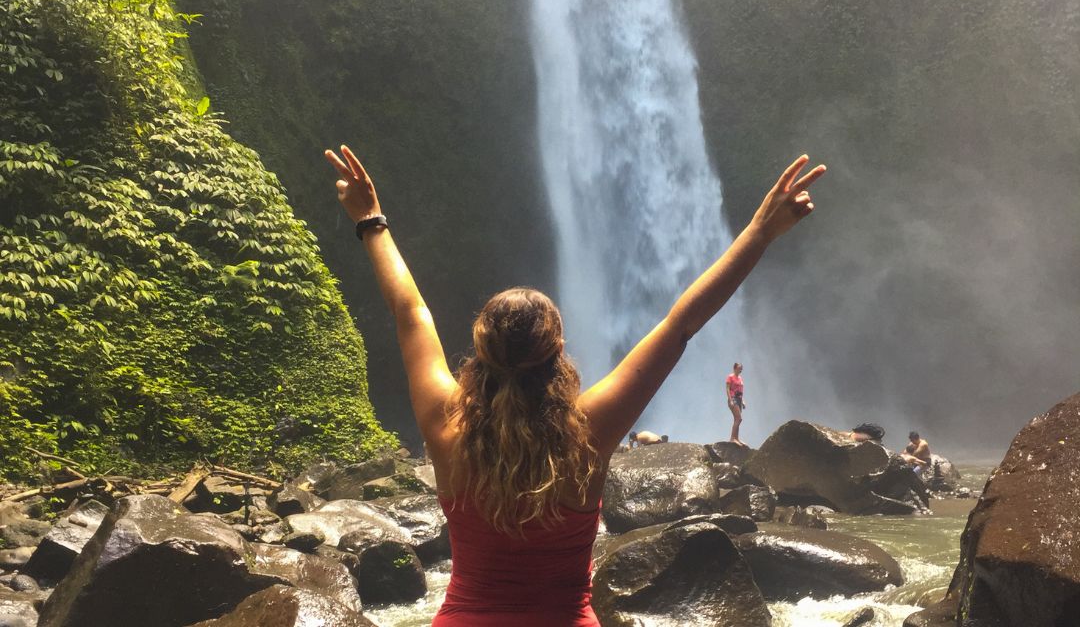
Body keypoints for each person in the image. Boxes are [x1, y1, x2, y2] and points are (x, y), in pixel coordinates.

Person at [325, 145, 825, 626]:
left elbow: (410, 311)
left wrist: (370, 220)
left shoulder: (445, 426)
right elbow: (680, 324)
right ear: (558, 351)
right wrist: (761, 232)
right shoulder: (586, 432)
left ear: (480, 354)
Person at [725, 361, 746, 446]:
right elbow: (727, 389)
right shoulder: (730, 377)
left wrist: (743, 401)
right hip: (733, 399)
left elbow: (740, 391)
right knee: (739, 419)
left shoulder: (740, 378)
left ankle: (736, 438)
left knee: (736, 419)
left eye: (741, 369)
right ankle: (732, 438)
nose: (740, 370)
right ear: (734, 368)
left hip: (739, 399)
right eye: (739, 368)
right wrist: (730, 400)